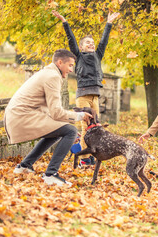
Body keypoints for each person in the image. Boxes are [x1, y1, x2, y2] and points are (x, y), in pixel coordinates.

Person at [5, 49, 91, 186]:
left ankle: (25, 166)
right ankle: (51, 174)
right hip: (22, 117)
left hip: (20, 116)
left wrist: (65, 124)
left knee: (63, 131)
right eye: (70, 65)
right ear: (60, 62)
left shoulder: (48, 73)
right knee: (71, 131)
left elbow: (52, 112)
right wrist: (79, 116)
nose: (71, 70)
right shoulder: (53, 77)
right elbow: (56, 112)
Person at [52, 10, 119, 166]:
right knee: (85, 126)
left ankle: (89, 154)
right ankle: (83, 159)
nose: (92, 44)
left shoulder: (98, 55)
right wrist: (64, 22)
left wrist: (108, 23)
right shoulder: (78, 56)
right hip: (83, 95)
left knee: (95, 127)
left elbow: (104, 41)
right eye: (88, 42)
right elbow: (71, 40)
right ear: (81, 47)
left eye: (92, 42)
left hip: (95, 95)